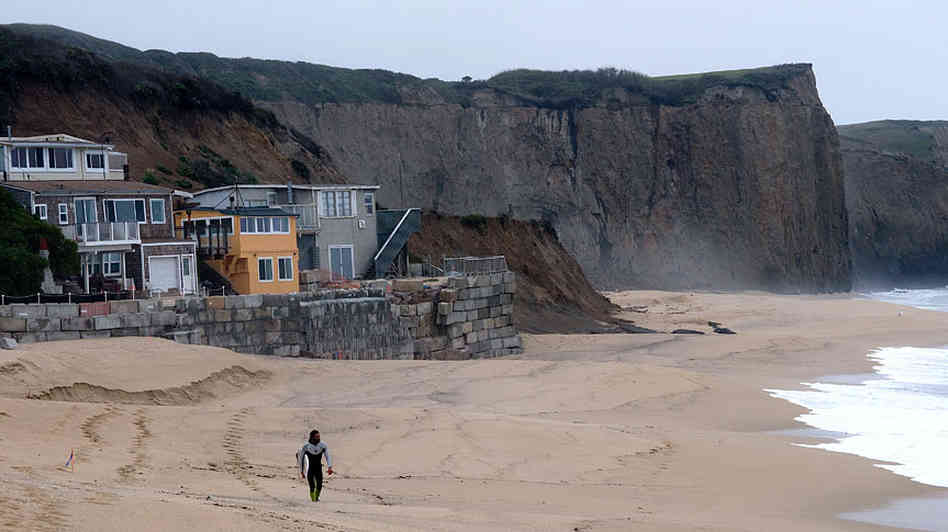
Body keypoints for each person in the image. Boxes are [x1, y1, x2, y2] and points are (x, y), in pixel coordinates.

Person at [297, 429, 333, 502]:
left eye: (319, 436)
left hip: (318, 468)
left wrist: (329, 467)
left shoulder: (323, 445)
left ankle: (316, 497)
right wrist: (301, 471)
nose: (318, 438)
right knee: (312, 485)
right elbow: (301, 460)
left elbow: (327, 456)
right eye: (317, 437)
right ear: (312, 437)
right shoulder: (306, 446)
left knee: (319, 485)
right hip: (310, 469)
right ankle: (313, 500)